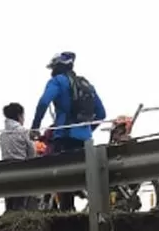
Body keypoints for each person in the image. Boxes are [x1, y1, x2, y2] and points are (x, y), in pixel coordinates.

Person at [32, 51, 106, 211]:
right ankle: (91, 213)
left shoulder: (57, 81)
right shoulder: (86, 85)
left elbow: (44, 102)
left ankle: (68, 216)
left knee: (64, 180)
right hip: (85, 140)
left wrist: (35, 127)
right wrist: (87, 130)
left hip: (64, 137)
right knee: (84, 177)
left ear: (57, 67)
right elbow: (101, 114)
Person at [0, 102, 37, 213]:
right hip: (22, 169)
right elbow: (32, 151)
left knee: (9, 205)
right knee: (20, 204)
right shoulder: (23, 131)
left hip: (5, 170)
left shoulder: (2, 134)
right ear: (19, 116)